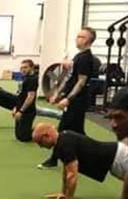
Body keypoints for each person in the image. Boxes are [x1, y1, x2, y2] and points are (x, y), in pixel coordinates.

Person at [31, 123, 128, 199]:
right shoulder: (63, 139)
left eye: (40, 142)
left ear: (47, 136)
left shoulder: (64, 144)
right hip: (115, 159)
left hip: (119, 157)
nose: (41, 146)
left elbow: (72, 175)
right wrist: (63, 193)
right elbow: (66, 170)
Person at [41, 27, 97, 168]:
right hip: (73, 100)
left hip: (78, 101)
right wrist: (57, 94)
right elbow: (69, 78)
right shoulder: (78, 56)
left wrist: (68, 99)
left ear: (89, 41)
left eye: (82, 37)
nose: (78, 39)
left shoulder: (85, 58)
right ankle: (93, 155)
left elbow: (81, 82)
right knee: (77, 131)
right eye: (78, 36)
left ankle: (54, 159)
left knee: (63, 130)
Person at [11, 59, 39, 142]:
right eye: (22, 68)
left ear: (32, 68)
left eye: (25, 67)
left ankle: (41, 131)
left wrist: (21, 111)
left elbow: (30, 97)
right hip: (19, 108)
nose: (23, 70)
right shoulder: (25, 77)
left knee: (24, 138)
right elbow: (21, 95)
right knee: (18, 136)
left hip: (28, 111)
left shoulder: (33, 79)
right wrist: (16, 108)